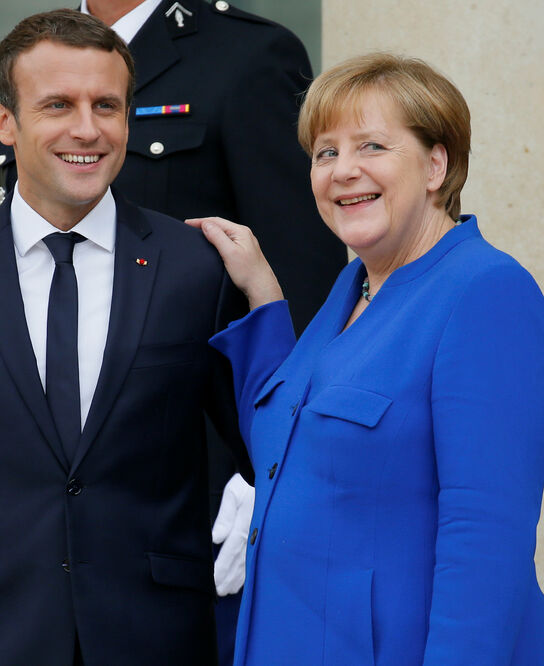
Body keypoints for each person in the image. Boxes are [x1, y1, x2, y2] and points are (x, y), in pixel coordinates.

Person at [0, 10, 250, 665]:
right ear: (6, 122)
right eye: (58, 104)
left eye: (107, 105)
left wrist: (269, 306)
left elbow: (277, 448)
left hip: (157, 641)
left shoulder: (196, 267)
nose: (86, 129)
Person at [0, 6, 347, 657]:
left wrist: (268, 473)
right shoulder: (21, 59)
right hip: (26, 535)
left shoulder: (248, 56)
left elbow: (297, 283)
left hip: (185, 505)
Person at [189, 53, 544, 664]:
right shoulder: (354, 286)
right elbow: (285, 452)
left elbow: (486, 543)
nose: (343, 171)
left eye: (372, 146)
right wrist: (264, 297)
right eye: (326, 153)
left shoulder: (485, 290)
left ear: (437, 165)